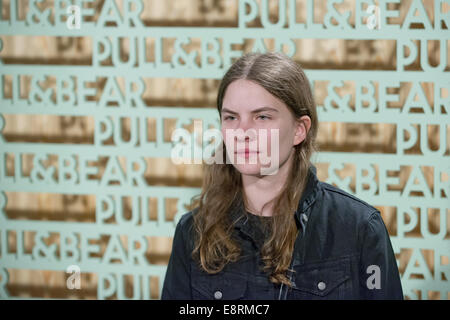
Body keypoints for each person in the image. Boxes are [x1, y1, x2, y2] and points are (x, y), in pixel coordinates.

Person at [161, 51, 403, 300]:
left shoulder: (359, 228)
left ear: (300, 130)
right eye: (231, 117)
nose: (242, 132)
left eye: (262, 116)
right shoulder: (194, 232)